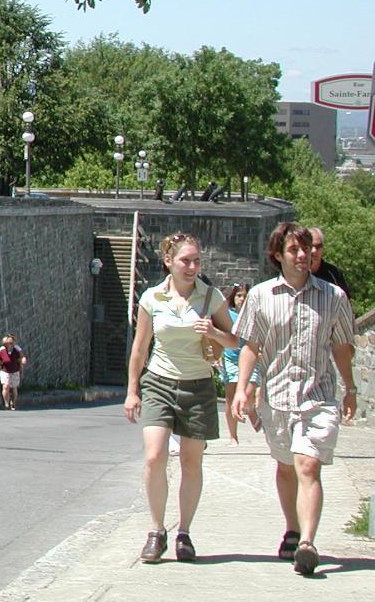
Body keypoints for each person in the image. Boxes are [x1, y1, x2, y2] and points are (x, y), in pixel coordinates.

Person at [231, 221, 357, 576]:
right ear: (277, 255)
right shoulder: (260, 296)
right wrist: (243, 388)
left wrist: (350, 387)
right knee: (286, 466)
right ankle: (293, 527)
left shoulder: (333, 297)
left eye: (307, 249)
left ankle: (308, 544)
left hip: (318, 397)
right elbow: (251, 347)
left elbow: (342, 346)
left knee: (308, 465)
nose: (304, 256)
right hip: (277, 396)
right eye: (294, 250)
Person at [124, 232, 237, 564]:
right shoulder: (152, 297)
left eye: (197, 261)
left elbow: (233, 341)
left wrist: (213, 332)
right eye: (185, 260)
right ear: (169, 261)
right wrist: (132, 391)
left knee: (191, 462)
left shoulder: (211, 296)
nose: (192, 267)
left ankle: (184, 533)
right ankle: (156, 532)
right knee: (155, 457)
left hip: (198, 386)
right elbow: (140, 348)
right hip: (158, 382)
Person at [219, 286, 261, 443]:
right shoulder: (227, 315)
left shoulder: (253, 314)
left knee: (248, 391)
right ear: (233, 297)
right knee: (230, 397)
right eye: (239, 296)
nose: (241, 299)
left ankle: (250, 410)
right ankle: (233, 436)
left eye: (245, 296)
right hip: (230, 358)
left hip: (250, 356)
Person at [308, 227, 350, 298]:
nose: (314, 250)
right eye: (311, 246)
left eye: (318, 246)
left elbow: (345, 301)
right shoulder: (297, 273)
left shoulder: (334, 273)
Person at [0, 334, 28, 409]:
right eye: (9, 343)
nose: (11, 344)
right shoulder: (1, 350)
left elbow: (22, 357)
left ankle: (13, 403)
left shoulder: (17, 349)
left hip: (15, 371)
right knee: (6, 386)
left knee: (14, 389)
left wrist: (23, 360)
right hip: (5, 371)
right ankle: (6, 404)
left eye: (12, 343)